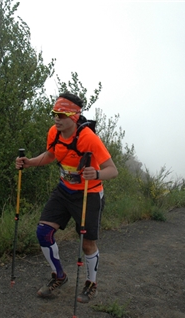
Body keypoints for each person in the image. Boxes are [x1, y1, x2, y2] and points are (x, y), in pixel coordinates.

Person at [15, 92, 118, 303]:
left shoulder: (89, 138)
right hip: (64, 190)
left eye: (61, 115)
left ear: (73, 116)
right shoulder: (53, 132)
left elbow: (112, 170)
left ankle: (91, 284)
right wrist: (29, 162)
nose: (56, 118)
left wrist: (96, 174)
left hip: (89, 193)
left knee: (87, 244)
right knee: (43, 232)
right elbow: (51, 155)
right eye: (54, 113)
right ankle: (59, 276)